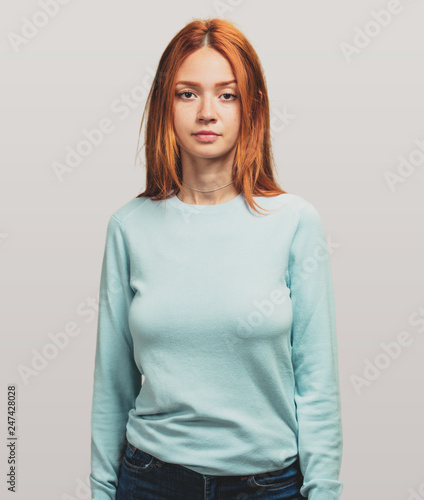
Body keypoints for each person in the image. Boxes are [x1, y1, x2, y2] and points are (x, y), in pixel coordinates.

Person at [89, 17, 343, 500]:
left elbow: (318, 384)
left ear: (252, 109)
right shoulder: (129, 227)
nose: (207, 111)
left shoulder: (294, 223)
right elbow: (112, 384)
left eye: (227, 94)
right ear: (166, 106)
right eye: (188, 93)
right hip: (150, 482)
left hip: (268, 486)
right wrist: (102, 490)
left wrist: (324, 491)